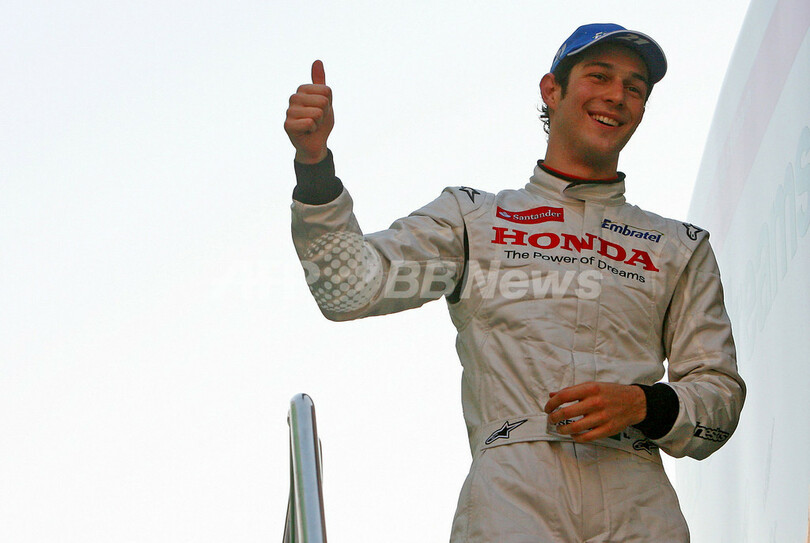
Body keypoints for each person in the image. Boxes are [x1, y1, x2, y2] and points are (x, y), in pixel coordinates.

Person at [285, 23, 745, 542]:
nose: (617, 95)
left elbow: (719, 398)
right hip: (513, 495)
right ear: (552, 91)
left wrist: (643, 404)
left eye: (635, 88)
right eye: (599, 76)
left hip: (640, 502)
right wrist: (314, 166)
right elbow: (348, 289)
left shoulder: (677, 246)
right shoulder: (473, 219)